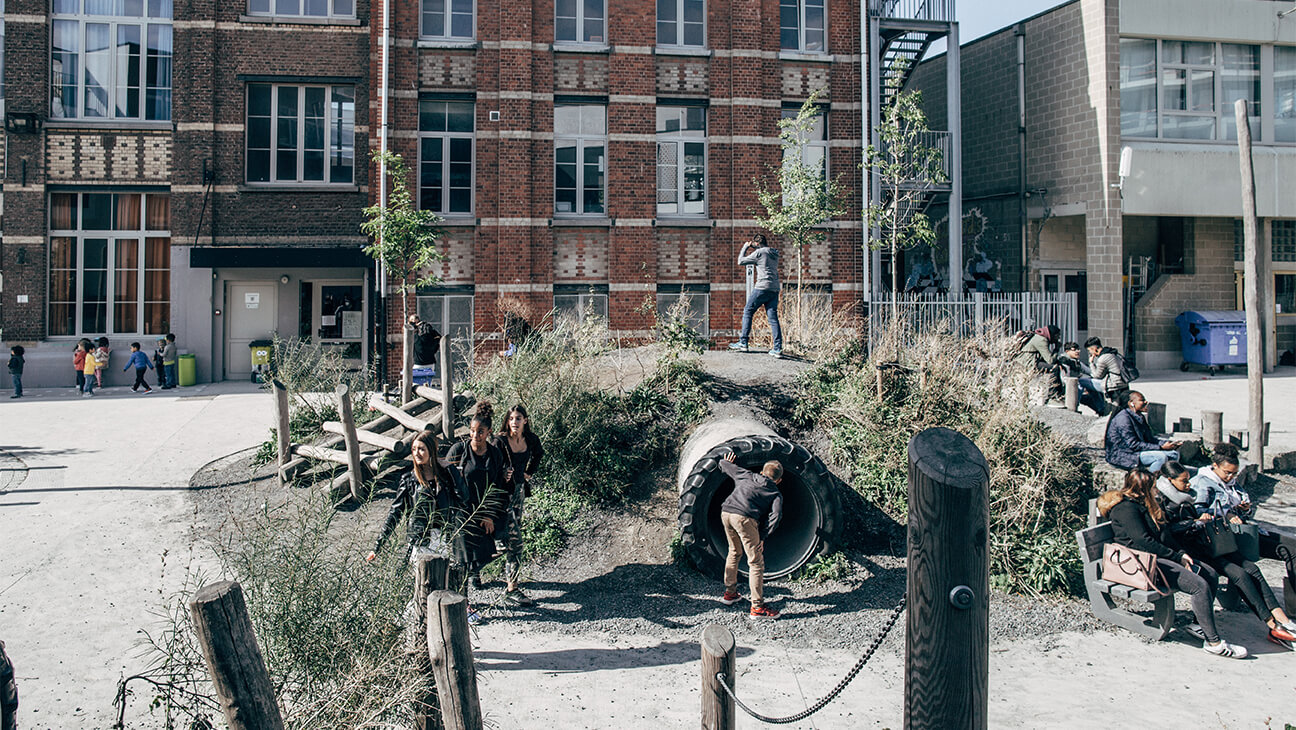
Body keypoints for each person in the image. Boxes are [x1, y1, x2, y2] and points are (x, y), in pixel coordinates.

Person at [1099, 468, 1246, 658]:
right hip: (1140, 564)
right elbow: (1144, 541)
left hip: (1155, 558)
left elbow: (1164, 535)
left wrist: (1182, 553)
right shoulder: (1126, 509)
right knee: (1198, 586)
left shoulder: (1145, 504)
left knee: (1208, 573)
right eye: (1153, 487)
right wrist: (1176, 558)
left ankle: (1198, 625)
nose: (1157, 490)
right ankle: (1214, 642)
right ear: (1143, 488)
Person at [368, 429, 470, 567]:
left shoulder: (445, 476)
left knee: (441, 581)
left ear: (432, 450)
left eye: (421, 449)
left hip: (442, 537)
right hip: (420, 539)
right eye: (414, 449)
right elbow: (395, 513)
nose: (416, 453)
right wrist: (377, 546)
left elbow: (463, 498)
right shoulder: (410, 480)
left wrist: (452, 471)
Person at [1192, 443, 1294, 571]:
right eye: (1227, 473)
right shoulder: (1203, 482)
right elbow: (1198, 511)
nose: (1230, 477)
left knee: (1293, 544)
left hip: (1244, 529)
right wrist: (1226, 514)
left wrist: (1245, 509)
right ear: (1215, 466)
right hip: (1227, 535)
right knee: (1291, 553)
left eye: (1234, 474)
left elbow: (1243, 514)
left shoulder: (1232, 484)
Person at [446, 402, 511, 590]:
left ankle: (475, 572)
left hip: (484, 508)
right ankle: (461, 593)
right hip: (462, 510)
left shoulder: (495, 454)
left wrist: (489, 514)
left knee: (485, 550)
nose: (475, 435)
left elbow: (498, 485)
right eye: (472, 431)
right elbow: (446, 477)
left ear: (489, 432)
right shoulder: (459, 450)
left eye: (480, 431)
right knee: (463, 554)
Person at [717, 451, 785, 619]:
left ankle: (730, 593)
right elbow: (775, 516)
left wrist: (727, 461)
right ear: (779, 480)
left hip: (726, 512)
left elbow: (724, 465)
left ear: (762, 472)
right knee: (755, 563)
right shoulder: (775, 493)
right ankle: (757, 608)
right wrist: (762, 536)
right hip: (745, 519)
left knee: (734, 552)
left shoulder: (747, 475)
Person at [493, 404, 545, 607]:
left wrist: (529, 471)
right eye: (512, 418)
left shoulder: (530, 439)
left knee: (512, 536)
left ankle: (477, 572)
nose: (515, 422)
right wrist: (502, 473)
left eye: (519, 418)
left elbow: (539, 454)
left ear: (525, 420)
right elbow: (490, 466)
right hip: (501, 496)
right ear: (507, 421)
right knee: (513, 541)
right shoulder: (499, 441)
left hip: (519, 493)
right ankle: (511, 588)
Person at [728, 233, 783, 358]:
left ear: (757, 243)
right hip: (774, 288)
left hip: (762, 287)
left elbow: (740, 261)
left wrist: (745, 247)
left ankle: (743, 342)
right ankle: (778, 348)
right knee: (773, 318)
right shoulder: (774, 253)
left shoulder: (759, 253)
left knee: (748, 311)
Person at [1104, 391, 1182, 472]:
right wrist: (1160, 447)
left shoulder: (1139, 417)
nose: (1146, 402)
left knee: (1174, 454)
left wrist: (1168, 444)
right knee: (1160, 457)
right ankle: (1151, 481)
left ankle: (1168, 480)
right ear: (1131, 403)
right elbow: (1133, 444)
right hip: (1124, 455)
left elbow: (1150, 439)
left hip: (1136, 452)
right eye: (1142, 400)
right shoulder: (1123, 419)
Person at [1015, 325, 1063, 403]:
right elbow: (1050, 360)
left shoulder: (1040, 337)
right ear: (1052, 335)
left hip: (1030, 361)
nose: (1058, 338)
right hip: (1028, 363)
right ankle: (1053, 396)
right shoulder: (1041, 340)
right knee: (1054, 368)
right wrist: (1056, 349)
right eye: (1057, 336)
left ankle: (1058, 394)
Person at [1057, 341, 1106, 416]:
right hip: (1067, 389)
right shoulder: (1064, 361)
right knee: (1082, 383)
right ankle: (1074, 407)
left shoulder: (1076, 361)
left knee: (1091, 384)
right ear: (1067, 351)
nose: (1077, 351)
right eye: (1074, 350)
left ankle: (1101, 410)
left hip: (1077, 387)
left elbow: (1089, 372)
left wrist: (1091, 363)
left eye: (1078, 349)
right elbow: (1064, 379)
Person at [1086, 336, 1130, 408]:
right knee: (1124, 407)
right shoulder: (1112, 352)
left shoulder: (1103, 358)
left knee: (1114, 409)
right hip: (1124, 383)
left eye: (1089, 350)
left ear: (1094, 349)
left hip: (1114, 387)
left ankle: (1102, 410)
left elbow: (1097, 375)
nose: (1090, 353)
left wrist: (1091, 363)